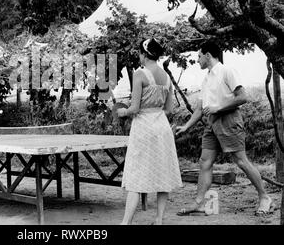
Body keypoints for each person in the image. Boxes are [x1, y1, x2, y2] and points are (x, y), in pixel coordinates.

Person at [176, 41, 274, 216]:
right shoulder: (206, 79)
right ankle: (199, 202)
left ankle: (265, 197)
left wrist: (218, 107)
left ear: (208, 55)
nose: (197, 60)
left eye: (199, 56)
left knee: (241, 161)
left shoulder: (227, 71)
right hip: (211, 123)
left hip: (229, 119)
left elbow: (243, 96)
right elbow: (200, 109)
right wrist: (186, 126)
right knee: (204, 162)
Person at [117, 38, 182, 225]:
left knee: (136, 175)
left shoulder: (140, 74)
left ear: (144, 55)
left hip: (143, 127)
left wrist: (123, 111)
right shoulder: (167, 77)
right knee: (163, 172)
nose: (139, 57)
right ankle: (159, 219)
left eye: (139, 53)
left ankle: (125, 222)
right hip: (161, 127)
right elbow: (169, 110)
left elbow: (135, 108)